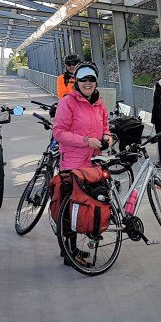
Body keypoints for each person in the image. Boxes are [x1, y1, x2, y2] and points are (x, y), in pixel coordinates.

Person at [51, 62, 112, 266]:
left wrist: (106, 136)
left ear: (96, 82)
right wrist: (85, 141)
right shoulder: (68, 102)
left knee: (86, 206)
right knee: (70, 209)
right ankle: (69, 253)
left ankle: (72, 248)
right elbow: (58, 132)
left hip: (93, 163)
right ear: (77, 81)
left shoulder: (99, 103)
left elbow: (105, 125)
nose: (88, 83)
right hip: (73, 163)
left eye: (91, 79)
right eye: (83, 79)